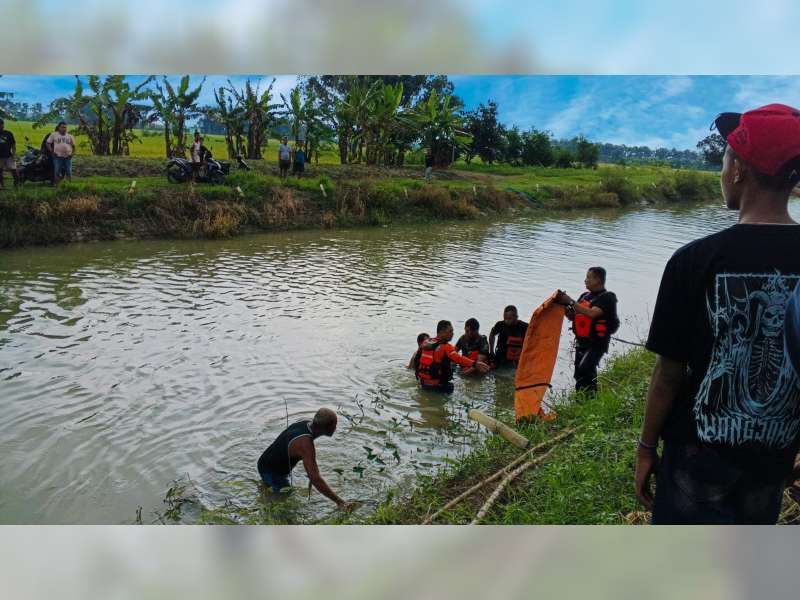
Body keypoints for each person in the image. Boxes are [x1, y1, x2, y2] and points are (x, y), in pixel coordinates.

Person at [635, 103, 800, 525]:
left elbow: (668, 374)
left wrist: (646, 447)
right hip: (774, 455)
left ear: (740, 169)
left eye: (726, 159)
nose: (722, 171)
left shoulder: (693, 260)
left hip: (696, 455)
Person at [257, 407, 356, 511]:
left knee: (274, 490)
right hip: (271, 471)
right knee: (285, 501)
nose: (336, 428)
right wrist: (340, 502)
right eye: (334, 425)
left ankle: (265, 488)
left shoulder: (306, 423)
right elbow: (315, 479)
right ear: (327, 427)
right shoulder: (305, 444)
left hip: (267, 460)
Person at [556, 267, 619, 394]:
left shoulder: (608, 298)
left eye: (588, 278)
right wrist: (563, 306)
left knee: (586, 369)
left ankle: (591, 399)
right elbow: (573, 315)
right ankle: (581, 401)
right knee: (579, 373)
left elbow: (592, 313)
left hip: (597, 343)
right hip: (581, 342)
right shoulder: (584, 296)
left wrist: (570, 300)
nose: (585, 280)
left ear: (598, 280)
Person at [416, 320, 490, 392]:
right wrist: (475, 364)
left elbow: (416, 359)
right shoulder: (446, 346)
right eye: (450, 331)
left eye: (452, 331)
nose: (452, 334)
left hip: (423, 384)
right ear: (441, 332)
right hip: (438, 386)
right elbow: (458, 358)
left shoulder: (425, 342)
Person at [47, 121, 75, 186]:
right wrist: (52, 151)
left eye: (65, 127)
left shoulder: (70, 136)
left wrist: (72, 154)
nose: (64, 129)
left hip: (67, 157)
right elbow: (48, 143)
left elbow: (73, 146)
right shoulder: (54, 135)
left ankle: (69, 185)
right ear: (59, 128)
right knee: (57, 171)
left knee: (69, 172)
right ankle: (56, 185)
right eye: (62, 127)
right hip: (57, 157)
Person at [0, 118, 19, 189]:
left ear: (3, 125)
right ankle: (2, 185)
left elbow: (13, 145)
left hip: (8, 156)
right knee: (0, 171)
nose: (0, 126)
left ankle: (16, 185)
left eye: (1, 124)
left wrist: (14, 154)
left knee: (14, 170)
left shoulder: (8, 133)